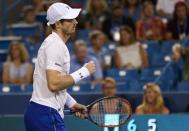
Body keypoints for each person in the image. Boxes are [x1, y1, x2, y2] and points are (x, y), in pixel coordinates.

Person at [24, 3, 96, 131]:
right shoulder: (55, 45)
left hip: (42, 112)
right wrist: (84, 71)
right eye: (70, 20)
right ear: (58, 24)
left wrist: (71, 103)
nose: (76, 22)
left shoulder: (53, 43)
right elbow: (54, 84)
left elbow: (49, 84)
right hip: (46, 113)